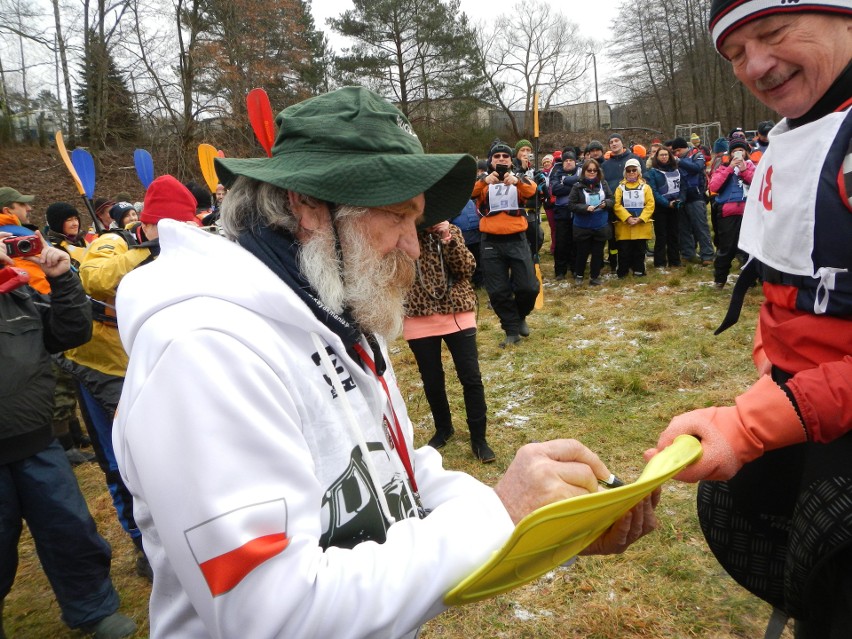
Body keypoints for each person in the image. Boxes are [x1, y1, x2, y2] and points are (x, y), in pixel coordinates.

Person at [112, 87, 658, 639]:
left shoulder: (333, 311)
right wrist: (500, 515)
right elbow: (271, 617)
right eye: (398, 217)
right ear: (306, 205)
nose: (414, 246)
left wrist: (547, 525)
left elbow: (396, 475)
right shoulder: (203, 353)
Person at [649, 3, 852, 637]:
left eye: (772, 33)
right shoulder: (802, 133)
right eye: (734, 53)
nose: (756, 65)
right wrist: (772, 376)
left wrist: (754, 422)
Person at [58, 175, 200, 582]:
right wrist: (147, 250)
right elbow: (93, 278)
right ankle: (144, 545)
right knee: (124, 461)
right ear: (148, 225)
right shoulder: (115, 243)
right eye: (163, 227)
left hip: (160, 359)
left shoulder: (194, 247)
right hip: (106, 367)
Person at [0, 232, 136, 639]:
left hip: (39, 443)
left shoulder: (16, 294)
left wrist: (61, 279)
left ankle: (92, 606)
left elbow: (71, 333)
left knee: (70, 529)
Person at [403, 220, 494, 463]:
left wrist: (447, 238)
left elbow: (466, 270)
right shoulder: (401, 234)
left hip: (457, 312)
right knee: (432, 380)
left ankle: (479, 438)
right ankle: (444, 428)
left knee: (471, 377)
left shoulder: (451, 231)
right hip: (417, 316)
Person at [472, 140, 540, 347]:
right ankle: (511, 330)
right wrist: (485, 181)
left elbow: (532, 192)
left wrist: (517, 181)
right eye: (497, 156)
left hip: (517, 239)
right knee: (498, 291)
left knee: (528, 286)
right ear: (491, 160)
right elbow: (470, 192)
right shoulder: (482, 181)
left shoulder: (519, 178)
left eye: (505, 156)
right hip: (491, 241)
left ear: (511, 160)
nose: (501, 159)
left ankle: (520, 315)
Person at [707, 137, 755, 288]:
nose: (738, 154)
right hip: (728, 213)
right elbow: (713, 186)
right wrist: (729, 169)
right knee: (726, 248)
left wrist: (744, 170)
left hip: (749, 213)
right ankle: (720, 279)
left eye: (741, 151)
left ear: (746, 153)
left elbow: (757, 183)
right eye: (735, 151)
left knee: (750, 249)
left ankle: (750, 279)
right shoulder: (723, 167)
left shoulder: (752, 167)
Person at [668, 137, 714, 266]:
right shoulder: (676, 160)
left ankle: (707, 255)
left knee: (701, 227)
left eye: (678, 150)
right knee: (683, 228)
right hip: (681, 197)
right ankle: (688, 254)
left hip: (696, 197)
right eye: (674, 152)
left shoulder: (697, 155)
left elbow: (697, 168)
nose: (676, 154)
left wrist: (679, 161)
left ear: (685, 147)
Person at [569, 158, 613, 286]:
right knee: (582, 252)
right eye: (589, 170)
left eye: (595, 170)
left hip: (600, 224)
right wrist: (585, 208)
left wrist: (606, 204)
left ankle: (595, 276)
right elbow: (571, 205)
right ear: (584, 171)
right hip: (583, 226)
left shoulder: (603, 184)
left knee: (598, 253)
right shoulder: (577, 186)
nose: (592, 172)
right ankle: (579, 275)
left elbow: (611, 199)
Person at [0, 186, 50, 294]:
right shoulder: (8, 241)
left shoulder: (17, 234)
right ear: (7, 211)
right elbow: (38, 283)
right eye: (22, 204)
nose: (29, 208)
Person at [612, 159, 654, 278]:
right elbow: (616, 204)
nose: (631, 172)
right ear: (625, 172)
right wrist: (627, 217)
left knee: (640, 250)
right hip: (625, 225)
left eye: (634, 170)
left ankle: (639, 271)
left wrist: (640, 218)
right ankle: (623, 272)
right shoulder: (620, 188)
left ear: (638, 171)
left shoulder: (646, 187)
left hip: (641, 225)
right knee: (624, 251)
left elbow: (650, 204)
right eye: (628, 170)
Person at [646, 146, 685, 268]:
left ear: (670, 156)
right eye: (661, 155)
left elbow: (683, 187)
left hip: (676, 206)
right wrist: (666, 203)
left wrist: (680, 200)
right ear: (656, 157)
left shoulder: (677, 170)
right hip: (661, 208)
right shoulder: (653, 172)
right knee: (661, 235)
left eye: (666, 155)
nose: (664, 157)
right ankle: (660, 262)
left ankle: (675, 261)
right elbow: (653, 191)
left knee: (674, 234)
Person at [549, 150, 580, 280]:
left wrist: (566, 182)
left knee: (575, 242)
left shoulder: (580, 171)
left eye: (570, 160)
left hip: (577, 211)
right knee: (561, 242)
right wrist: (574, 185)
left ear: (575, 161)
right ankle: (560, 271)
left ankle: (575, 268)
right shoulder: (556, 172)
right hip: (561, 211)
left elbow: (583, 184)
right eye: (565, 160)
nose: (568, 162)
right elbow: (555, 189)